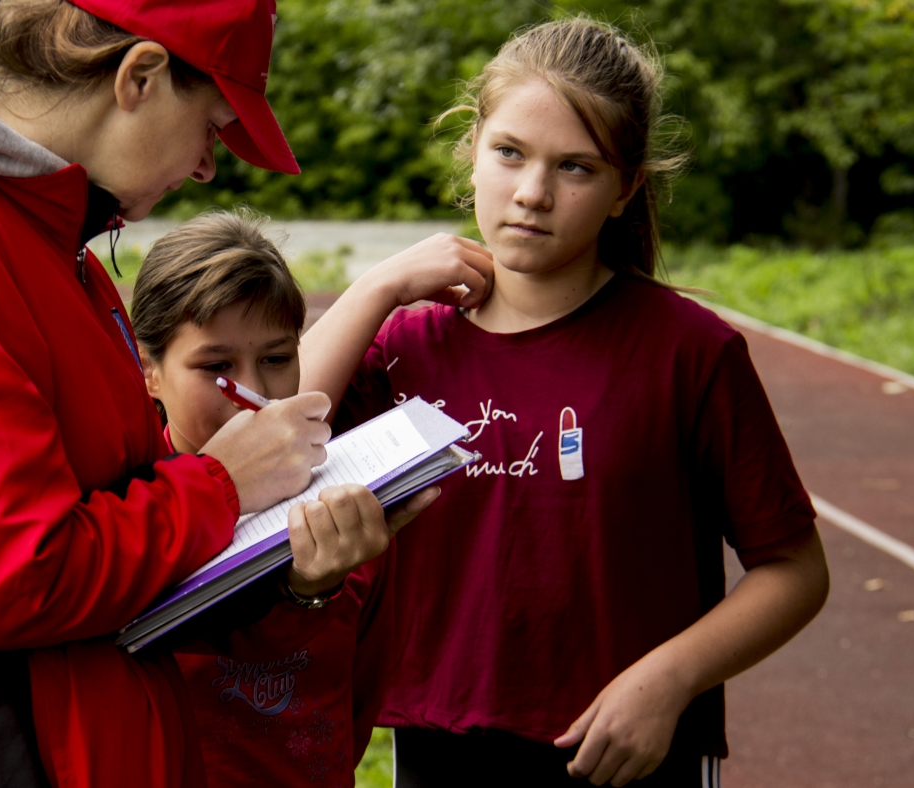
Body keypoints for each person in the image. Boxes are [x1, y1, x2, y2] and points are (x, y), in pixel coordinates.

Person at [0, 1, 444, 786]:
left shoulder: (52, 242)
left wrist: (295, 571)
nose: (210, 165)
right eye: (213, 127)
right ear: (140, 78)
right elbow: (8, 575)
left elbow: (125, 528)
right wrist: (221, 484)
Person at [301, 18, 831, 788]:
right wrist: (375, 288)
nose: (533, 194)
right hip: (439, 746)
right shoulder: (405, 344)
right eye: (509, 153)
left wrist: (669, 680)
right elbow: (274, 441)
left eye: (575, 168)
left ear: (625, 190)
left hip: (629, 754)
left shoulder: (689, 352)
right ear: (473, 150)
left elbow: (796, 571)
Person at [130, 210, 448, 787]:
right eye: (217, 368)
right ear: (149, 369)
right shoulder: (128, 502)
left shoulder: (350, 500)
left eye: (277, 359)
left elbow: (361, 693)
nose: (254, 395)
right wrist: (301, 593)